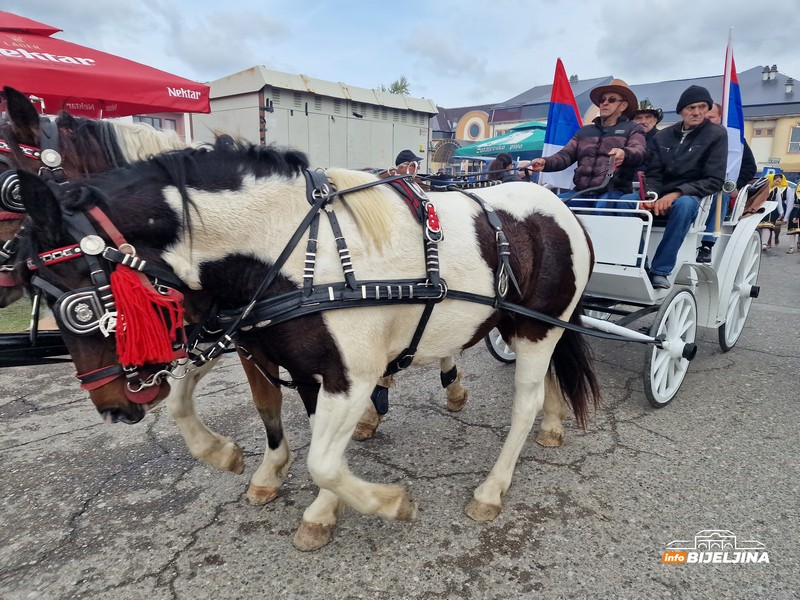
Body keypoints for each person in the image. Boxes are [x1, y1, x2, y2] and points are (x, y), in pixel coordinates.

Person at [638, 85, 727, 289]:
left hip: (692, 194)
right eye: (691, 108)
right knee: (624, 202)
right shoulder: (663, 136)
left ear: (707, 109)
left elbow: (714, 179)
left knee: (684, 205)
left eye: (702, 107)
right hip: (659, 194)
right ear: (681, 111)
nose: (696, 112)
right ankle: (639, 263)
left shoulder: (717, 134)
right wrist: (651, 196)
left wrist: (676, 193)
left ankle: (661, 270)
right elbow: (654, 172)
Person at [528, 79, 646, 205]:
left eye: (611, 100)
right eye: (602, 100)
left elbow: (639, 151)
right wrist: (545, 162)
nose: (605, 103)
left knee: (602, 207)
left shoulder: (633, 127)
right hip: (580, 192)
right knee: (549, 206)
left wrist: (624, 153)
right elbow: (565, 156)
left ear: (623, 106)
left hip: (614, 191)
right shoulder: (584, 131)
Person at [696, 102, 757, 263]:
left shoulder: (736, 142)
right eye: (704, 117)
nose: (707, 121)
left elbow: (750, 167)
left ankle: (707, 244)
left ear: (720, 118)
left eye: (711, 117)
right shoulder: (690, 137)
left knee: (719, 194)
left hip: (718, 189)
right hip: (694, 186)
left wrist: (735, 185)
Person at [757, 173, 790, 251]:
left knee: (767, 226)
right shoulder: (761, 187)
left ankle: (764, 243)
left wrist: (781, 212)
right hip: (759, 207)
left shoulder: (776, 189)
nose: (778, 183)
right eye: (777, 181)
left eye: (779, 182)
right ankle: (760, 242)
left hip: (770, 208)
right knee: (759, 227)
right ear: (771, 179)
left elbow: (778, 200)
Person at [784, 183, 799, 253]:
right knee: (792, 231)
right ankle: (792, 247)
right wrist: (786, 217)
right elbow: (790, 204)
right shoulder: (794, 193)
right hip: (795, 210)